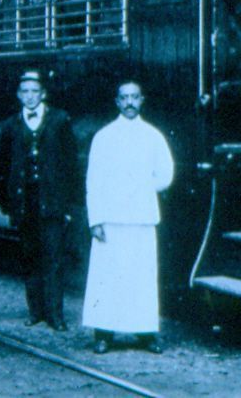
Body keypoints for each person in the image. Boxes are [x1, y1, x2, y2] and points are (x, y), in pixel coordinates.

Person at [82, 81, 174, 354]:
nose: (130, 102)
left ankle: (144, 333)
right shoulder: (104, 137)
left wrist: (141, 188)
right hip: (111, 219)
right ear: (117, 102)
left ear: (142, 100)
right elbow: (93, 180)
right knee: (107, 277)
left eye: (135, 97)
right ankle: (103, 334)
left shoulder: (153, 136)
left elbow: (166, 174)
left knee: (141, 277)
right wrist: (95, 220)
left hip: (141, 218)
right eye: (124, 98)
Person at [1, 69, 80, 330]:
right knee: (30, 256)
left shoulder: (60, 120)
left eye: (35, 91)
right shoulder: (11, 125)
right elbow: (6, 165)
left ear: (43, 93)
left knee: (54, 258)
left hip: (52, 201)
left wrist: (68, 205)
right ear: (18, 95)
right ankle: (35, 311)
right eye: (25, 92)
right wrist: (11, 203)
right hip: (26, 202)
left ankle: (55, 314)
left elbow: (70, 165)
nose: (30, 96)